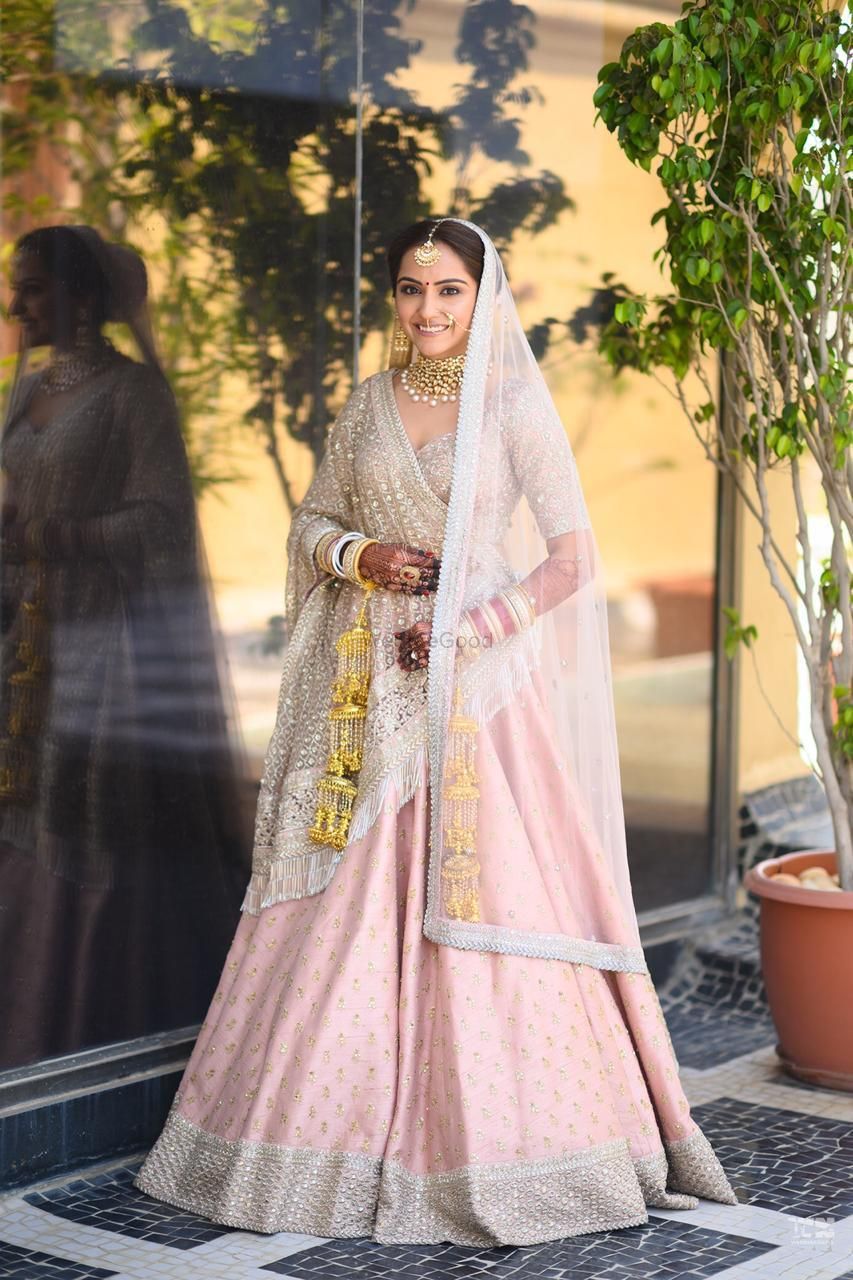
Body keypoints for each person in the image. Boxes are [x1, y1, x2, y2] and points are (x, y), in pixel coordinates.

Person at [135, 218, 737, 1246]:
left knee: (488, 895)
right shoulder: (368, 404)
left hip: (475, 698)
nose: (426, 310)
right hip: (365, 695)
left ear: (480, 295)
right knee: (343, 908)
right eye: (411, 289)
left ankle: (501, 1147)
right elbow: (308, 524)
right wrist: (360, 555)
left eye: (448, 291)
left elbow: (570, 556)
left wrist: (471, 627)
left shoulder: (511, 406)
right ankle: (318, 1144)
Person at [0, 225, 250, 1066]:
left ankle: (90, 1035)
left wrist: (52, 535)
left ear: (84, 297)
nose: (16, 304)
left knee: (85, 815)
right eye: (17, 285)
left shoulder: (135, 395)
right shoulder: (24, 389)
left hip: (103, 645)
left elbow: (161, 521)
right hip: (26, 630)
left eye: (32, 287)